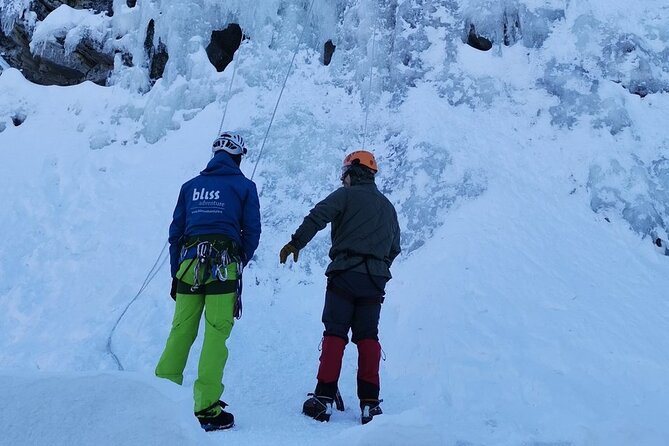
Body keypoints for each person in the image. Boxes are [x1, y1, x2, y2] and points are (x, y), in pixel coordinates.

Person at [279, 150, 401, 425]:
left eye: (344, 172)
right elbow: (395, 247)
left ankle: (323, 399)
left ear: (352, 171)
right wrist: (379, 266)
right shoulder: (387, 207)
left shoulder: (344, 196)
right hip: (374, 281)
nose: (342, 177)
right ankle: (370, 404)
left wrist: (295, 243)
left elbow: (317, 217)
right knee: (368, 336)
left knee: (335, 333)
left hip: (344, 274)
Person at [155, 132, 261, 431]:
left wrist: (177, 274)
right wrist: (239, 262)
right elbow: (251, 231)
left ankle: (160, 401)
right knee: (216, 335)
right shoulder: (244, 186)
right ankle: (206, 408)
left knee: (180, 331)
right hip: (224, 267)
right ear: (238, 156)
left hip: (189, 264)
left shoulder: (190, 187)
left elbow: (176, 233)